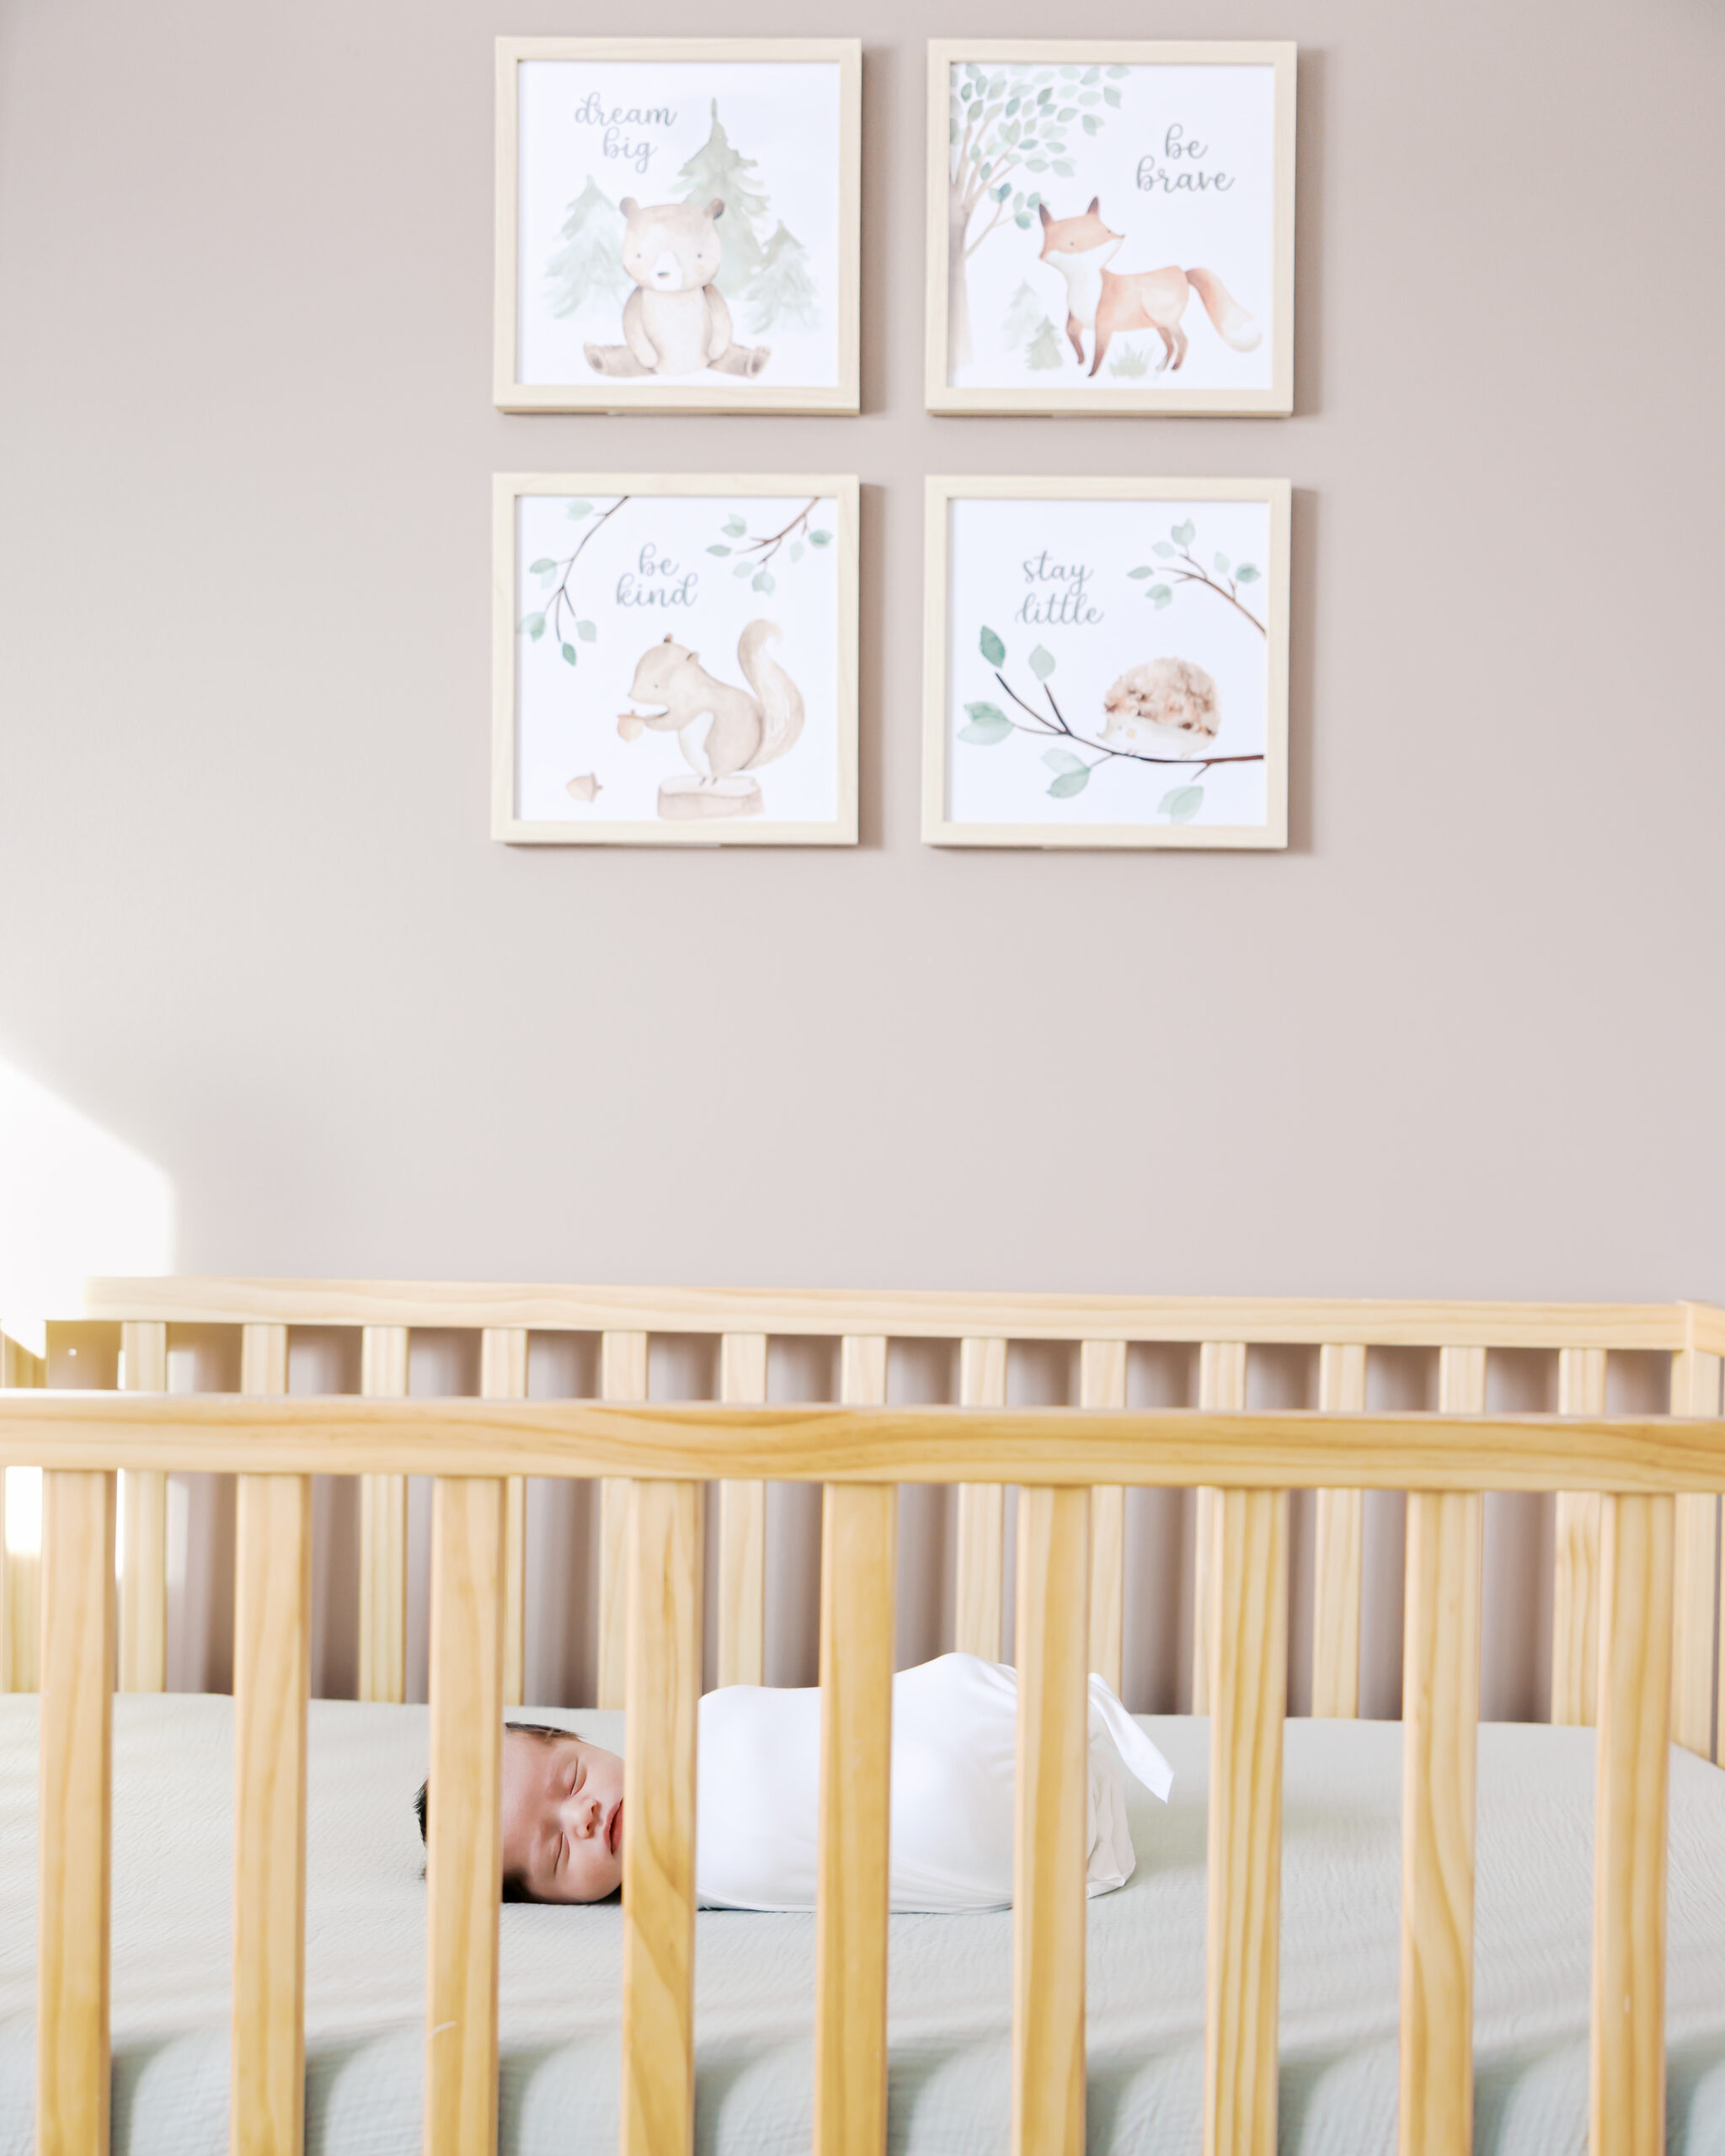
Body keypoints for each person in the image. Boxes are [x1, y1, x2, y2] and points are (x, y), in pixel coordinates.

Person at [414, 1652, 1172, 1911]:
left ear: (578, 1738)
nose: (581, 1819)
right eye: (552, 1855)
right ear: (545, 1903)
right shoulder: (685, 1885)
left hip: (961, 1717)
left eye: (572, 1779)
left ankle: (1025, 1726)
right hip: (990, 1834)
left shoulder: (700, 1723)